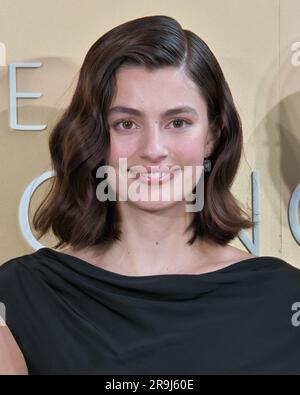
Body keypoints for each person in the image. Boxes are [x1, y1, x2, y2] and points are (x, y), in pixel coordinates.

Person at [0, 15, 299, 375]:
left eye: (178, 123)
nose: (153, 149)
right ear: (96, 137)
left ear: (213, 135)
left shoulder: (284, 298)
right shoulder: (20, 297)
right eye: (126, 123)